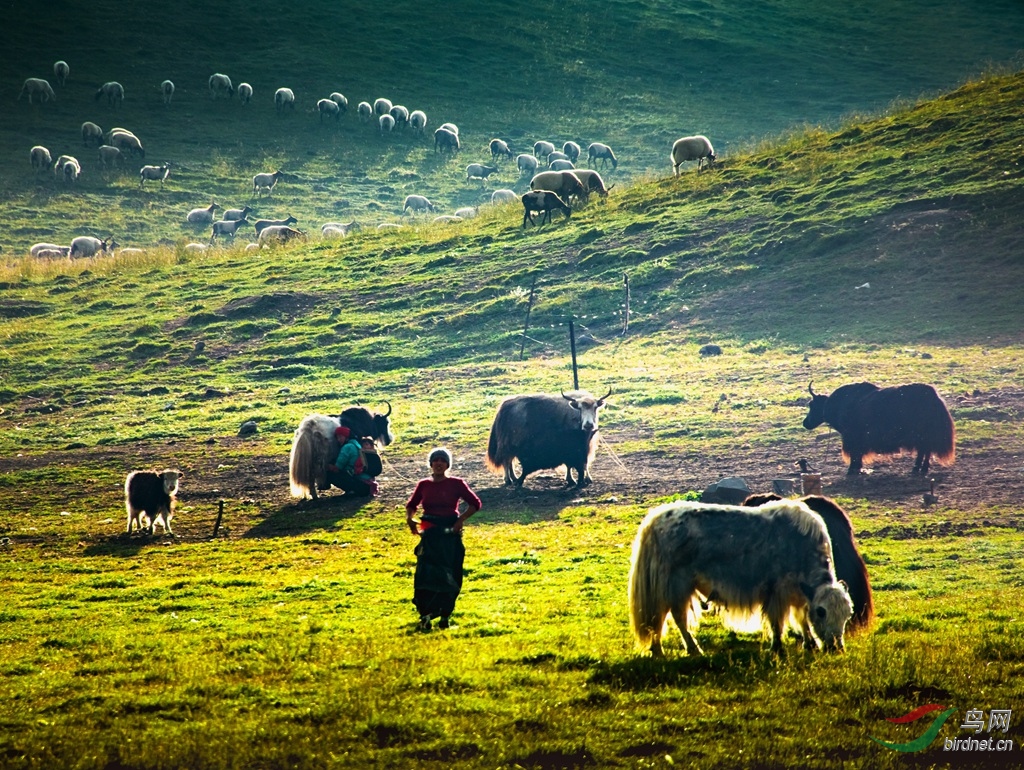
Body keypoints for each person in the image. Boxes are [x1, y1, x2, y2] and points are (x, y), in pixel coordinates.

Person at [405, 447, 482, 631]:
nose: (439, 463)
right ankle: (425, 613)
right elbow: (412, 505)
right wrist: (410, 519)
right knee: (426, 572)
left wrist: (460, 520)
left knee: (449, 571)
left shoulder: (456, 483)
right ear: (431, 464)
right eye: (435, 460)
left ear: (447, 464)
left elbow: (475, 504)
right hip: (429, 533)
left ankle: (445, 613)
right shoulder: (424, 484)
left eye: (442, 460)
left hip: (449, 534)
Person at [326, 426, 375, 497]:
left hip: (360, 485)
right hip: (368, 484)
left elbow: (337, 468)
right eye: (337, 437)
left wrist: (325, 466)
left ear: (346, 436)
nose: (338, 439)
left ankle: (351, 490)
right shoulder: (357, 444)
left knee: (330, 474)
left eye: (340, 437)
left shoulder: (347, 447)